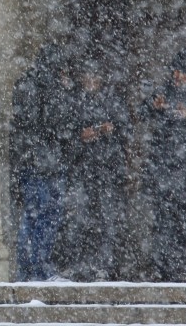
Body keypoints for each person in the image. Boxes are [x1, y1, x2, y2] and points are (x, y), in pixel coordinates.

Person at [56, 59, 131, 281]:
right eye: (87, 77)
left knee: (107, 221)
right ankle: (75, 264)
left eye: (95, 77)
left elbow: (125, 129)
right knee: (78, 219)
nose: (91, 82)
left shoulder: (112, 100)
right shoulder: (74, 101)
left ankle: (103, 266)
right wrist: (81, 137)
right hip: (81, 168)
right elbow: (64, 133)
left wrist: (111, 130)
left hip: (107, 170)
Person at [8, 44, 73, 281]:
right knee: (42, 217)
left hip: (35, 161)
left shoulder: (28, 83)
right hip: (44, 162)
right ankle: (36, 268)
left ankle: (30, 269)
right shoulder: (49, 87)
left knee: (35, 215)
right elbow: (55, 123)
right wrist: (64, 95)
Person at [141, 48, 186, 281]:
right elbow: (142, 112)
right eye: (175, 71)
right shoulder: (165, 90)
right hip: (164, 172)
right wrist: (153, 106)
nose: (177, 77)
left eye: (182, 72)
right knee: (164, 225)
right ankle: (163, 271)